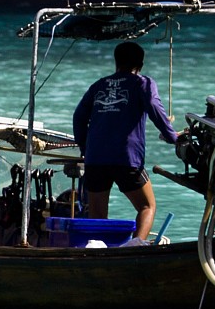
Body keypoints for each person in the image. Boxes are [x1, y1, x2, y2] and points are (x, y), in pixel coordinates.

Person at [71, 39, 177, 242]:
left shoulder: (99, 85)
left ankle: (97, 249)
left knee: (98, 216)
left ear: (116, 62)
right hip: (126, 158)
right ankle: (135, 246)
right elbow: (154, 107)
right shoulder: (143, 83)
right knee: (147, 206)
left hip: (95, 159)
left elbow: (79, 117)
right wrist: (172, 136)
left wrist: (85, 148)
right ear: (141, 65)